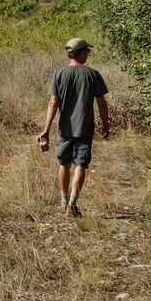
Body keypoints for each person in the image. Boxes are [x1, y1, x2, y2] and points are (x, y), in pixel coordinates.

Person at [36, 37, 110, 217]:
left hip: (65, 130)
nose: (89, 54)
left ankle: (63, 198)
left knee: (64, 164)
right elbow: (102, 104)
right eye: (87, 51)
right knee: (80, 165)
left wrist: (46, 129)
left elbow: (53, 103)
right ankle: (73, 202)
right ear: (82, 52)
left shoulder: (58, 75)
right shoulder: (93, 74)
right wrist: (106, 124)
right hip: (84, 128)